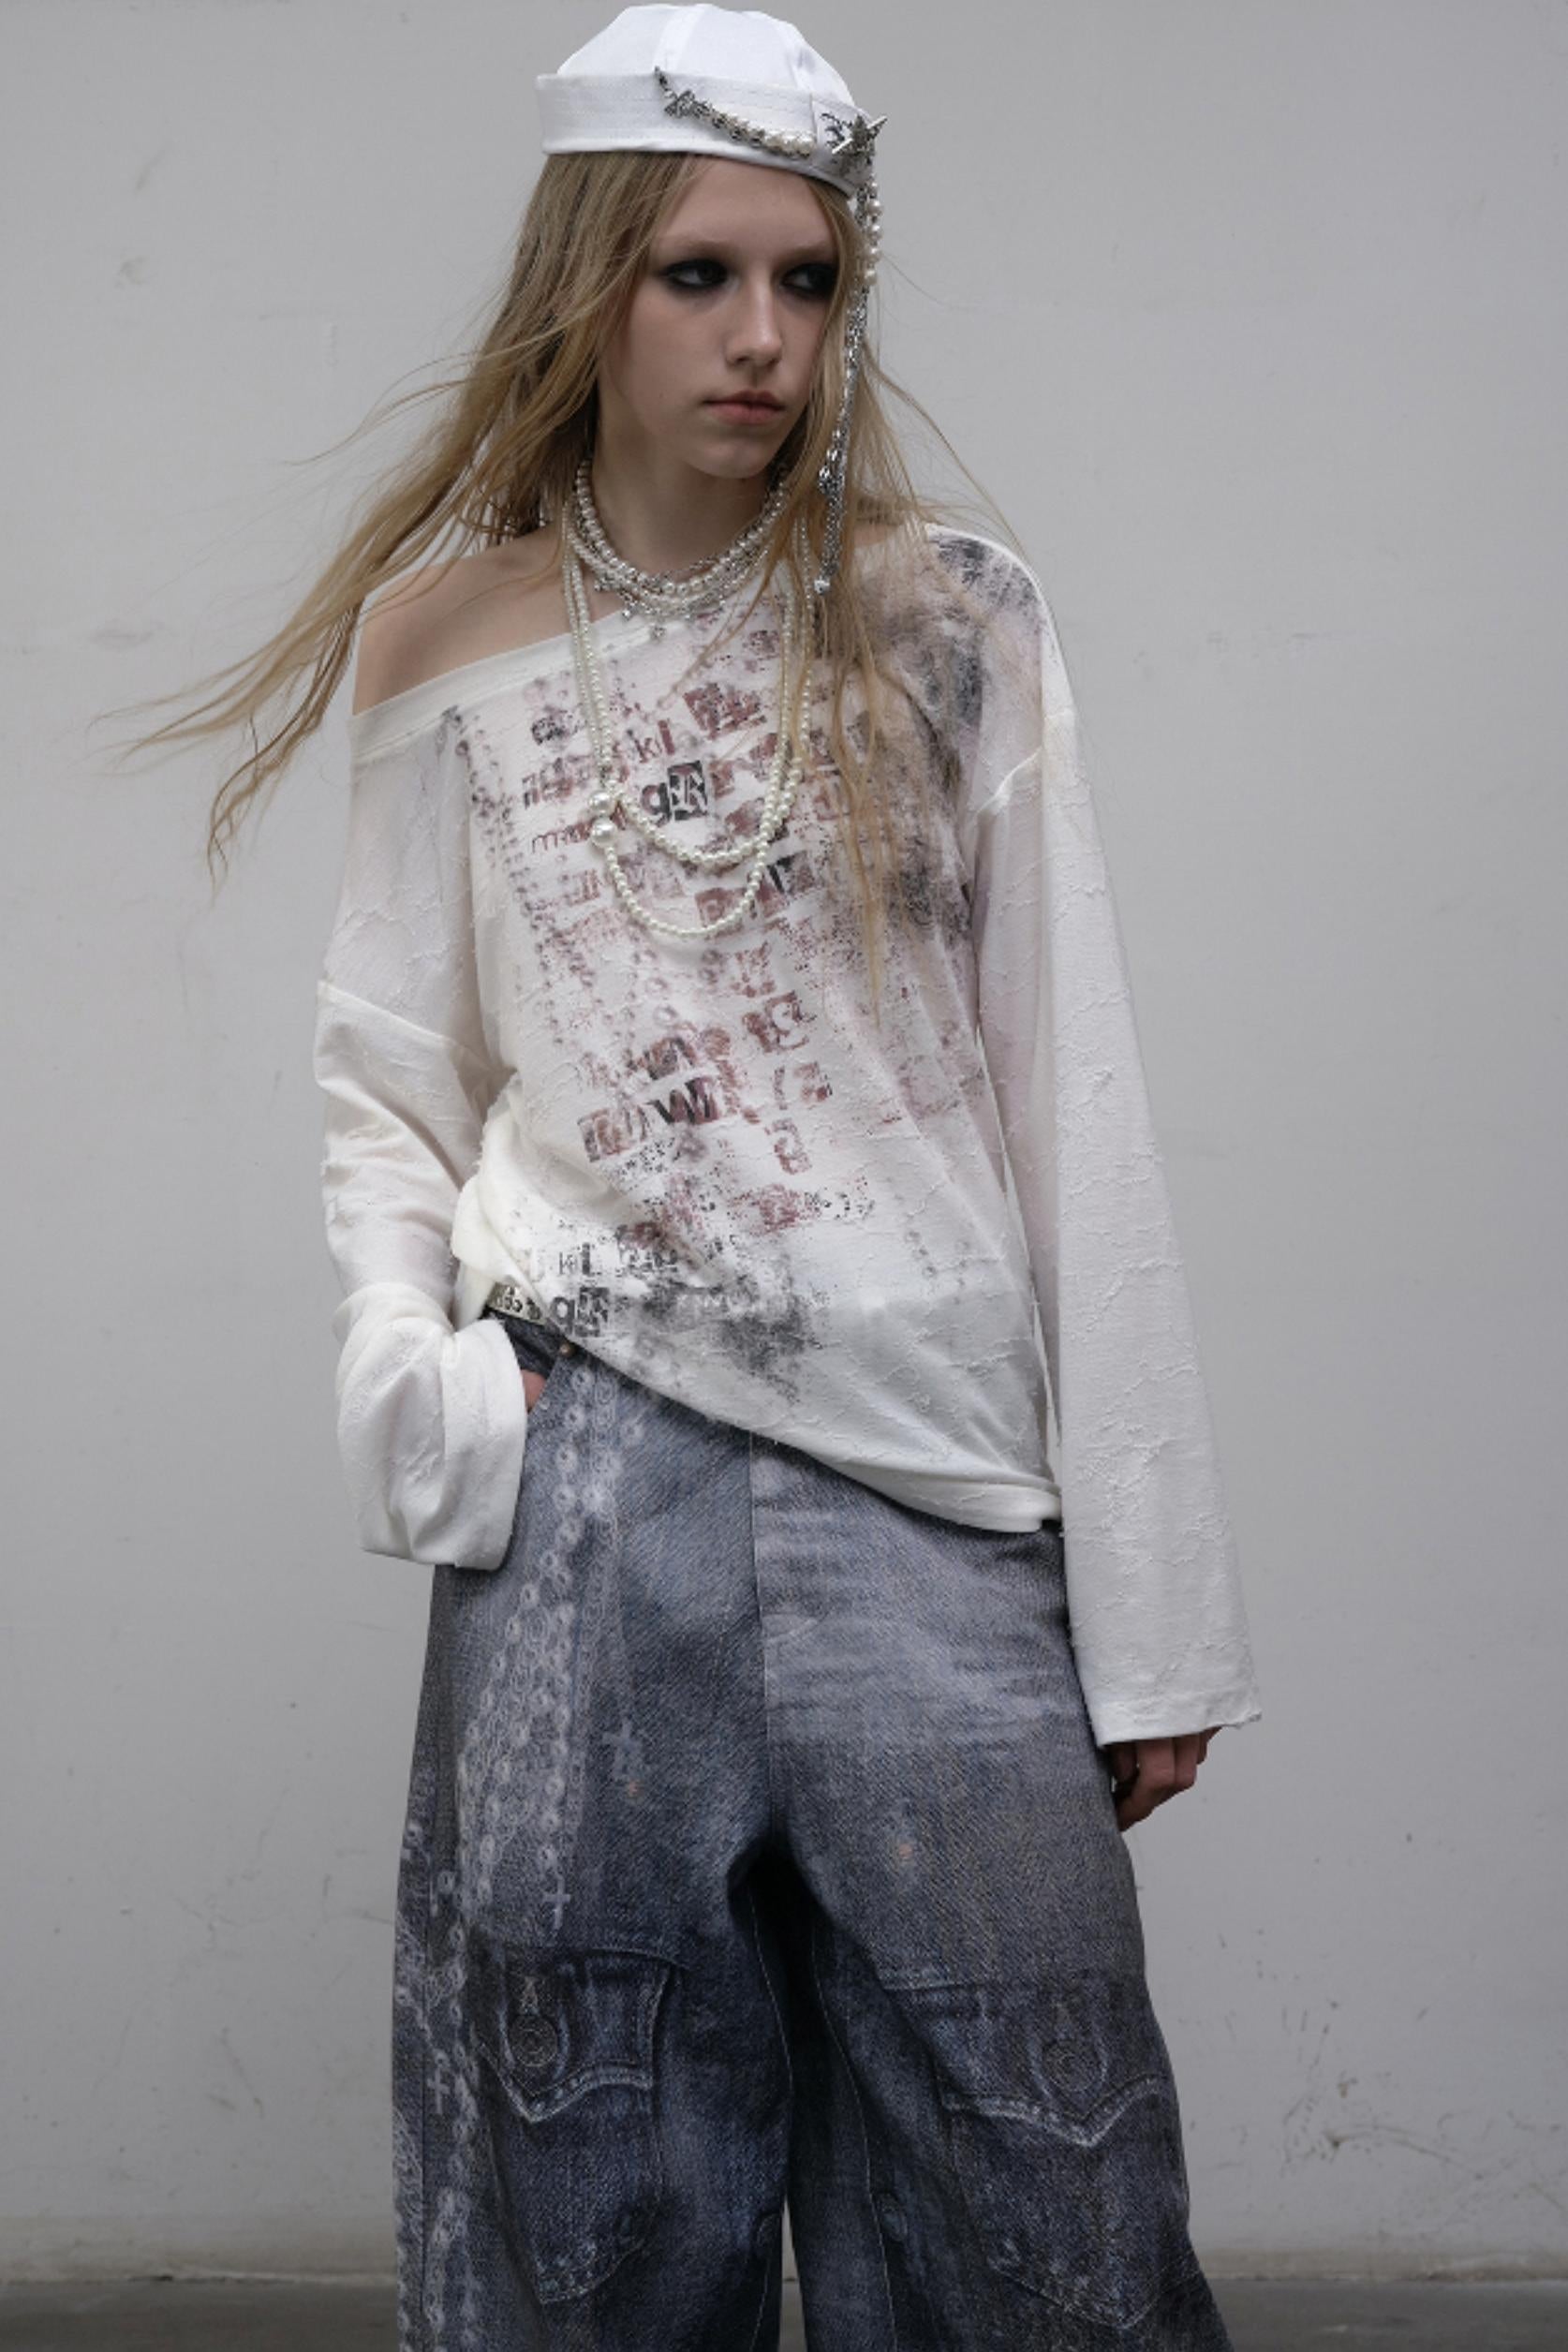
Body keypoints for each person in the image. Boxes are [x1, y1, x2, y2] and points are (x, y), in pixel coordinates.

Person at [121, 6, 1262, 2343]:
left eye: (808, 280)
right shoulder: (440, 637)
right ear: (588, 284)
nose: (762, 336)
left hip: (931, 1495)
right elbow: (389, 1072)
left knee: (1051, 2212)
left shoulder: (953, 614)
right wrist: (413, 1375)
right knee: (587, 2213)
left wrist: (1152, 1605)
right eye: (699, 275)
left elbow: (1080, 1092)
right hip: (585, 1483)